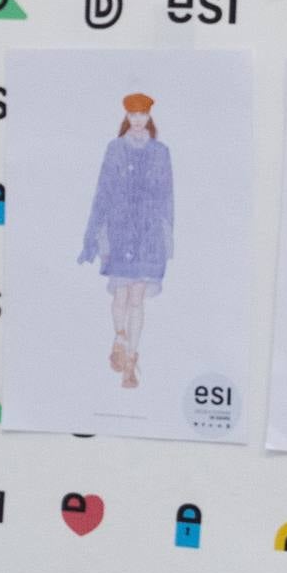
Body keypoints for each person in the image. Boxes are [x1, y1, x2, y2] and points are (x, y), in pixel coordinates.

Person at [78, 91, 175, 389]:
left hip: (147, 235)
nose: (137, 119)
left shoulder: (161, 151)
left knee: (137, 298)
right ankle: (119, 337)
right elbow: (103, 191)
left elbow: (167, 196)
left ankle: (131, 359)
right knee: (121, 296)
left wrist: (167, 235)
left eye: (142, 114)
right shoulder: (114, 149)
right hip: (119, 232)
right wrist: (93, 235)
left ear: (149, 117)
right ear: (126, 117)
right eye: (132, 114)